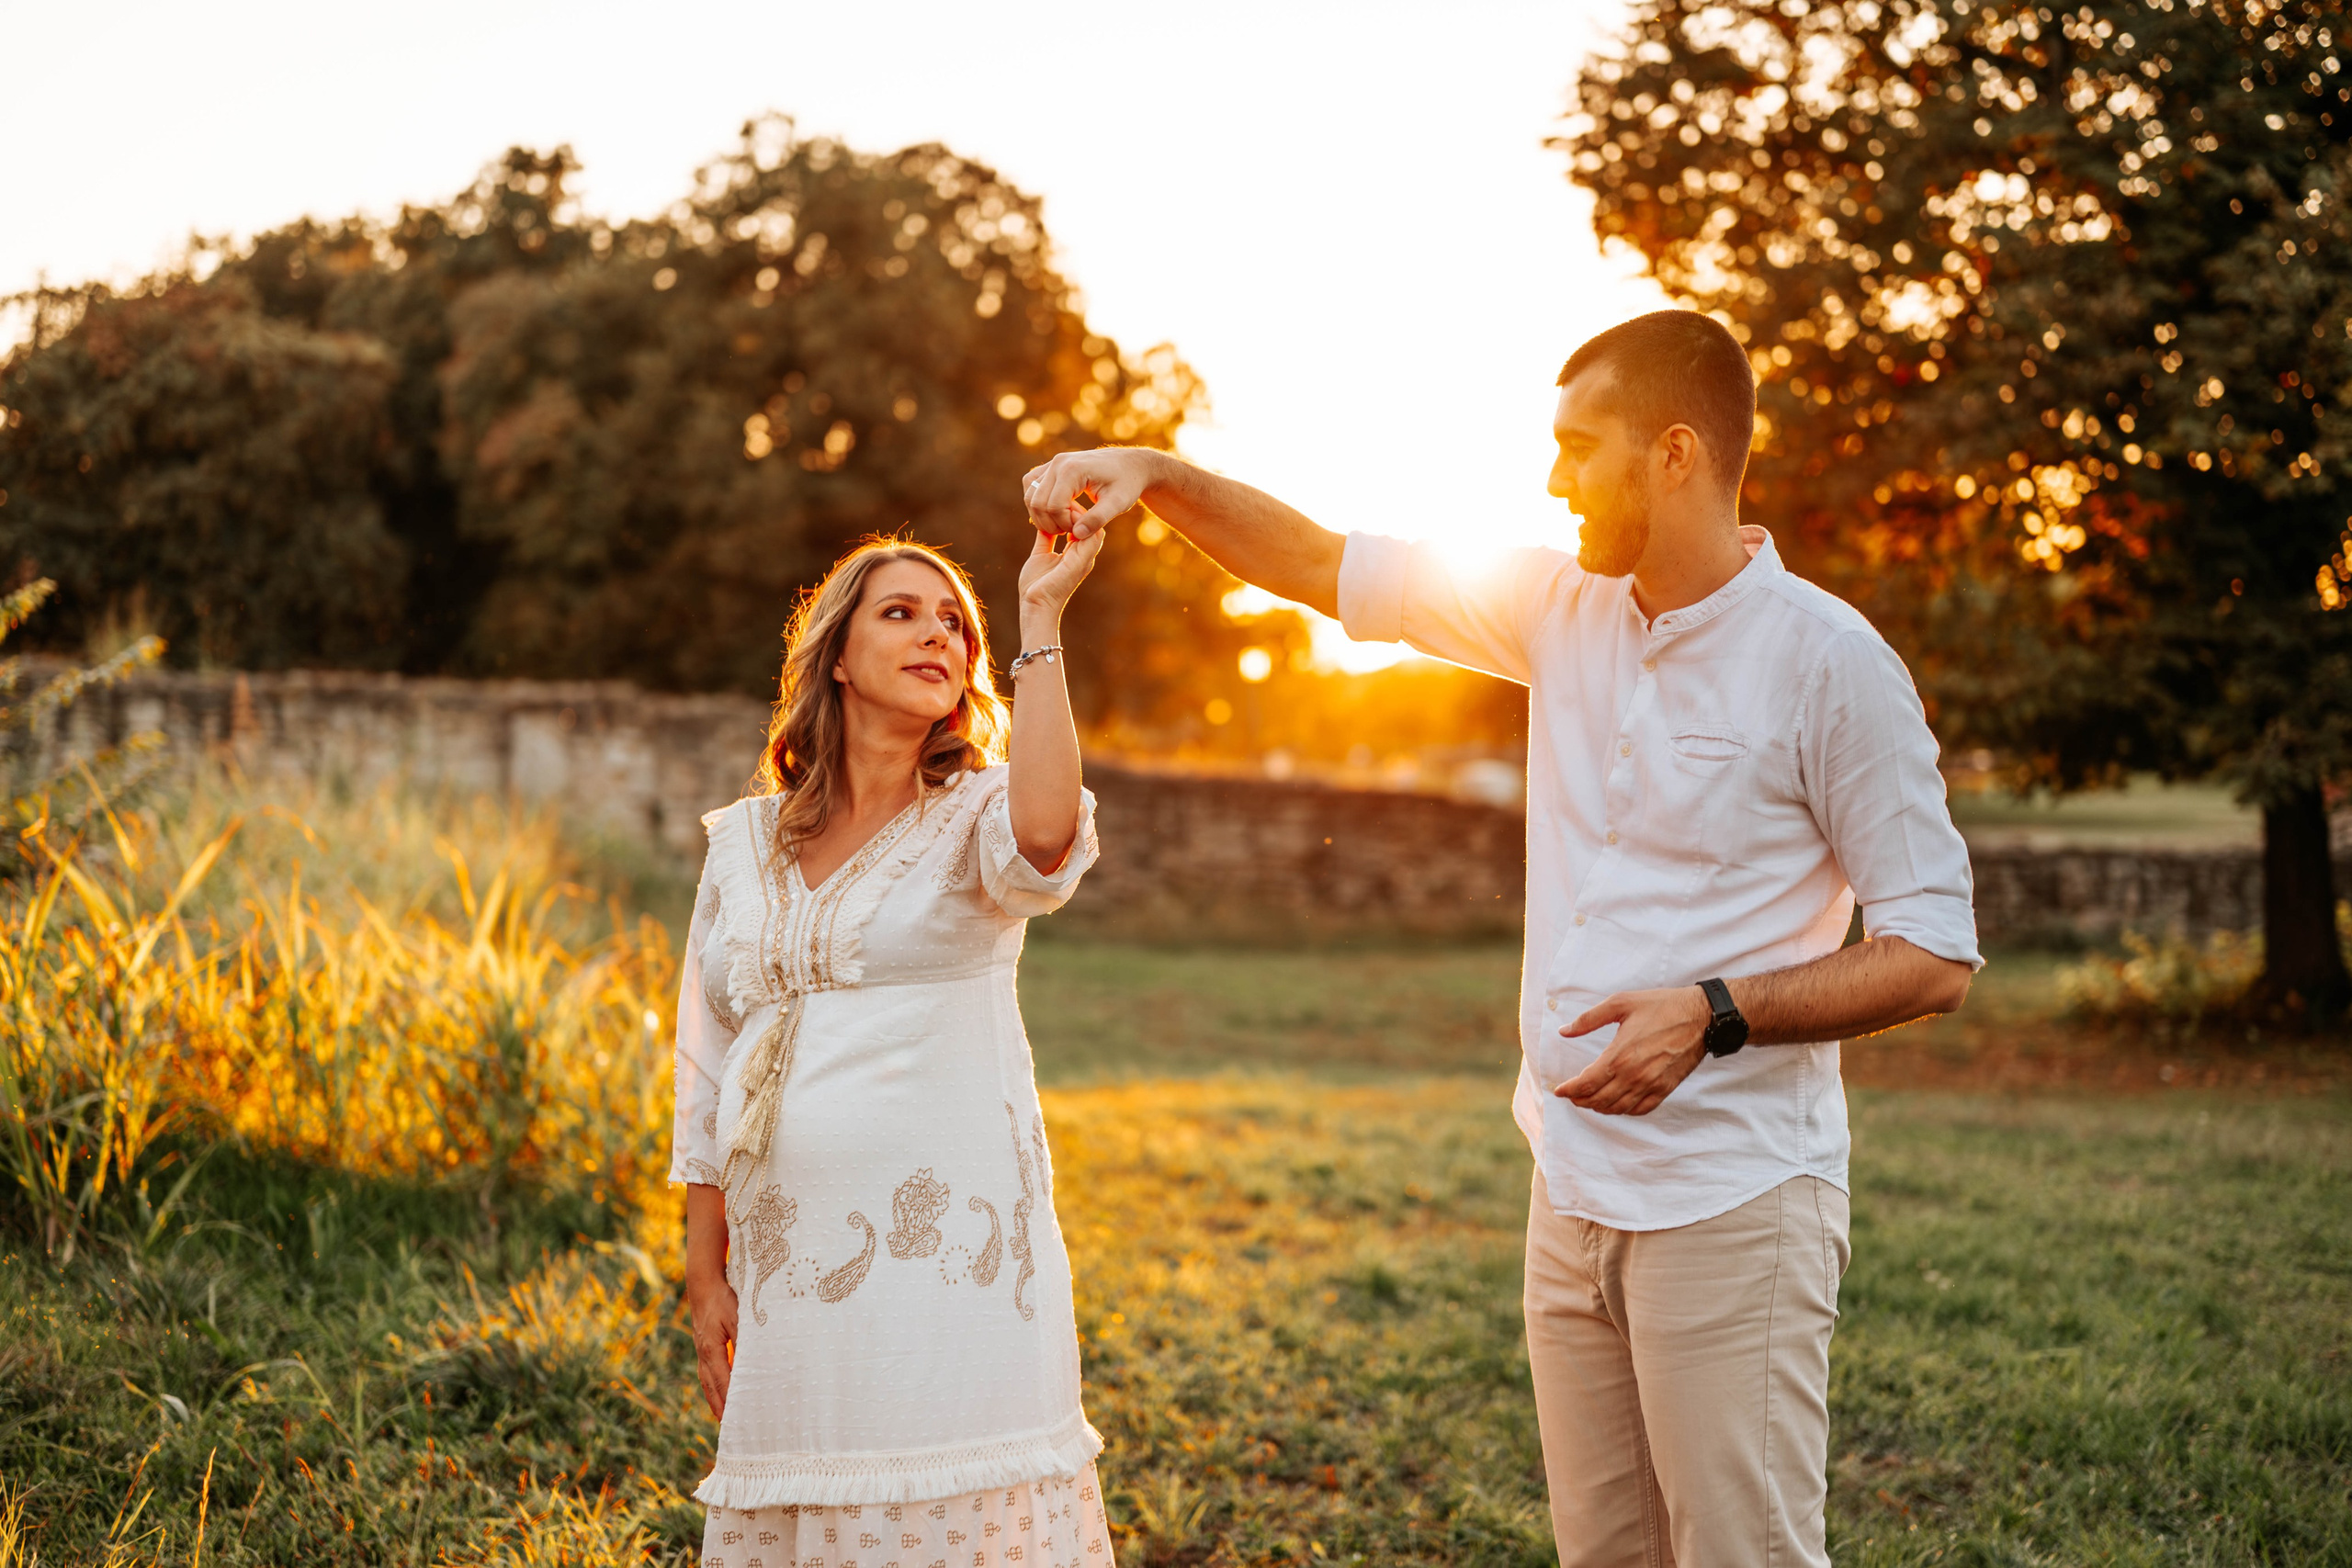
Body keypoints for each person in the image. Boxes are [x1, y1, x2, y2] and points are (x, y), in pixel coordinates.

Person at [1018, 310, 1981, 1568]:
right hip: (1569, 1186)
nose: (1550, 478)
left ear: (1675, 453)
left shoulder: (1828, 661)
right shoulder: (1552, 606)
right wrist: (1155, 474)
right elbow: (1320, 563)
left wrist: (1715, 1007)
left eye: (1580, 447)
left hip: (1735, 1198)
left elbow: (1934, 950)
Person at [669, 533, 1116, 1568]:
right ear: (835, 654)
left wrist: (1038, 620)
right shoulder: (743, 844)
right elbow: (706, 1061)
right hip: (790, 1263)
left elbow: (1048, 840)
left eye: (955, 620)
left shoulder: (976, 818)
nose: (938, 633)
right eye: (901, 613)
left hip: (949, 1273)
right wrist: (705, 1267)